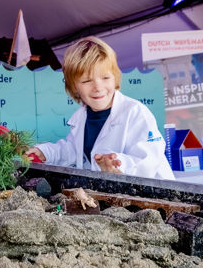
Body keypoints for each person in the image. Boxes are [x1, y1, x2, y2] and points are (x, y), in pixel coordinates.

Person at [25, 37, 174, 178]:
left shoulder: (136, 112)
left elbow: (148, 161)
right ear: (74, 87)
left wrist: (117, 164)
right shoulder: (81, 117)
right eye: (87, 81)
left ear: (115, 77)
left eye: (105, 78)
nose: (98, 87)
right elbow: (72, 151)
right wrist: (46, 152)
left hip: (155, 198)